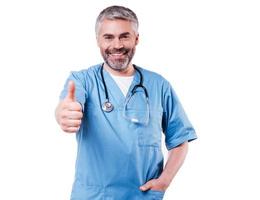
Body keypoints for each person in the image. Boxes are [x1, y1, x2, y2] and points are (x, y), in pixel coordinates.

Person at [55, 5, 197, 200]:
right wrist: (65, 113)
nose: (117, 45)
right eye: (108, 37)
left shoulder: (158, 85)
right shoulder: (82, 80)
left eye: (124, 36)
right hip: (94, 195)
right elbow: (67, 106)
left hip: (142, 195)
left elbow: (180, 140)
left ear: (136, 38)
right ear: (98, 40)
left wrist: (165, 180)